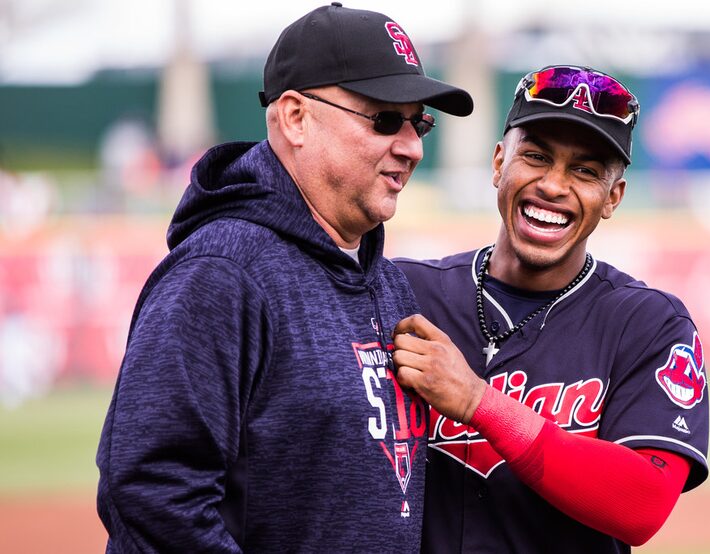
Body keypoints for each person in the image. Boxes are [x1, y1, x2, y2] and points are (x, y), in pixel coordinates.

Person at [95, 4, 473, 552]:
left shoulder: (384, 281)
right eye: (386, 120)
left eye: (420, 123)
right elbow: (153, 493)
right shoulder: (221, 274)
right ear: (295, 117)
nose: (412, 145)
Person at [392, 65, 709, 553]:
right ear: (499, 164)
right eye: (536, 157)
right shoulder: (405, 292)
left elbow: (642, 505)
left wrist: (480, 403)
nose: (554, 185)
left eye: (585, 171)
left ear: (613, 197)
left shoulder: (649, 325)